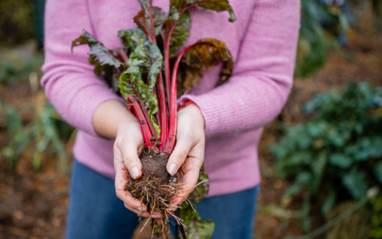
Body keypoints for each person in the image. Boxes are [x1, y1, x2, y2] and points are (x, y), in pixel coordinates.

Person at [41, 0, 300, 238]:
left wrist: (197, 114)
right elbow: (65, 69)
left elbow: (269, 79)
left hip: (225, 178)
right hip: (102, 165)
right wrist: (122, 122)